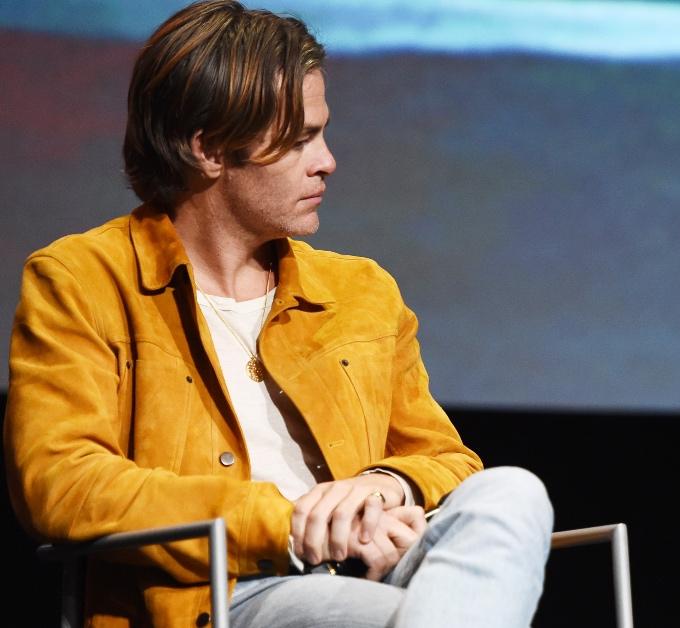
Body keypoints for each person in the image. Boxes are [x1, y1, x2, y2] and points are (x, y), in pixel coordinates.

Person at [4, 2, 552, 626]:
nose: (328, 161)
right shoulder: (83, 279)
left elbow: (448, 461)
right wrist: (287, 521)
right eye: (299, 140)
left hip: (386, 562)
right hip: (229, 588)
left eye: (322, 132)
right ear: (208, 148)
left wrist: (378, 488)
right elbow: (63, 482)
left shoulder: (362, 290)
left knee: (512, 492)